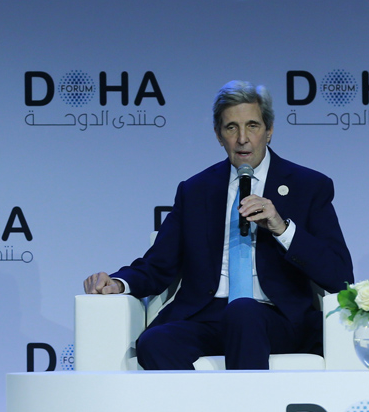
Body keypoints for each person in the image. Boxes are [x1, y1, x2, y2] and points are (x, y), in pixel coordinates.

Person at [82, 80, 353, 370]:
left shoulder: (308, 186)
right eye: (231, 128)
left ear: (269, 131)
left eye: (253, 126)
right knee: (156, 341)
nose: (242, 139)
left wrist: (282, 228)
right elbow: (158, 264)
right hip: (207, 315)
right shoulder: (196, 190)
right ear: (218, 135)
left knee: (244, 312)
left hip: (277, 319)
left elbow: (339, 275)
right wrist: (119, 283)